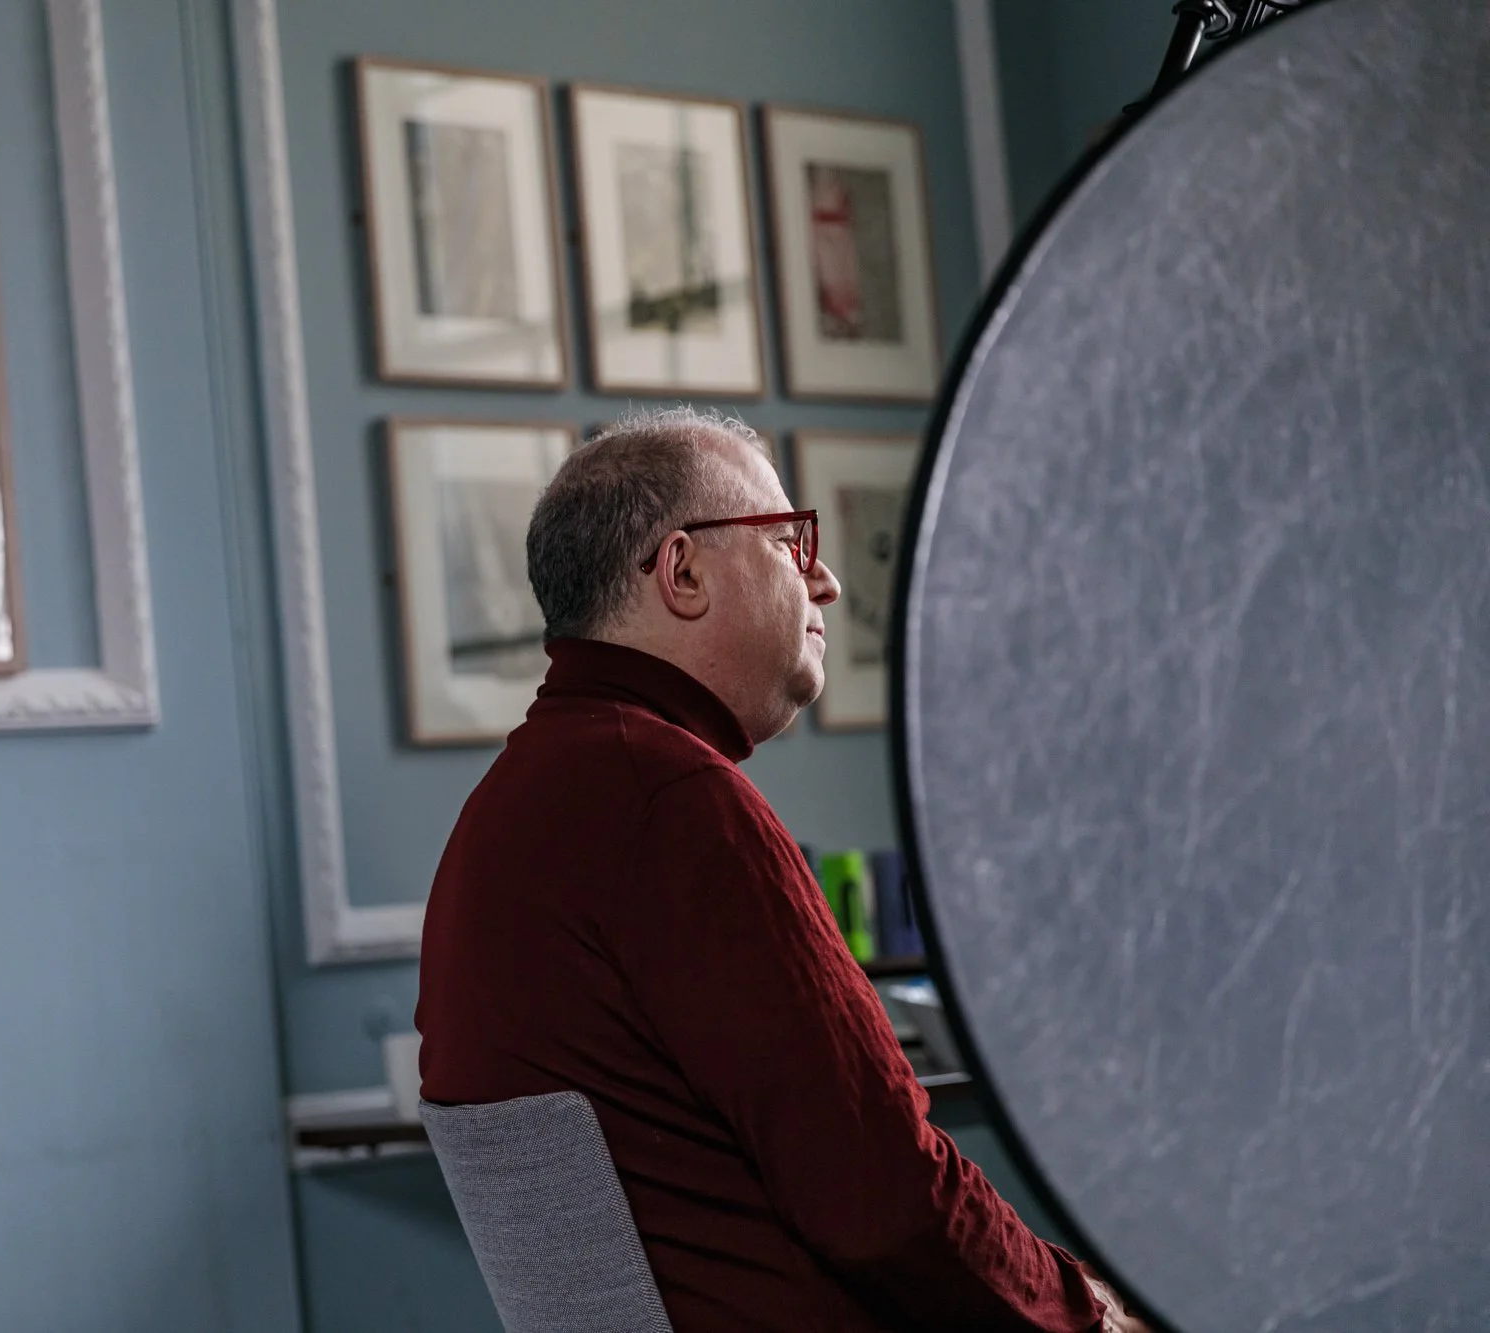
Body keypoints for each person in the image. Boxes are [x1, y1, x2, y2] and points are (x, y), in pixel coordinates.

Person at [417, 407, 1148, 1332]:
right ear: (682, 571)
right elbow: (886, 1199)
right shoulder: (668, 798)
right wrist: (1096, 1319)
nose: (830, 581)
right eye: (791, 541)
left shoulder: (517, 803)